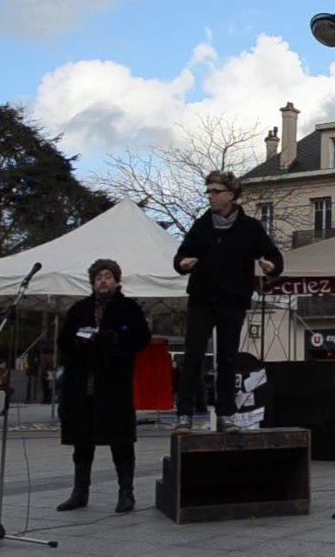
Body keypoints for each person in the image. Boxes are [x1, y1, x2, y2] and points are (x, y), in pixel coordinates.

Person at [173, 170, 283, 434]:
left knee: (227, 358)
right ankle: (185, 414)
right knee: (194, 355)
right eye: (208, 191)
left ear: (231, 196)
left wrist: (271, 266)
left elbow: (274, 257)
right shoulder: (202, 226)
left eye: (215, 191)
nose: (210, 196)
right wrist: (182, 264)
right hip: (202, 298)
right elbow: (181, 255)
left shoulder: (250, 228)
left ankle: (226, 414)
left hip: (233, 300)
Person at [55, 259, 152, 513]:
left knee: (120, 440)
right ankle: (80, 492)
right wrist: (79, 342)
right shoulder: (79, 309)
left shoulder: (129, 308)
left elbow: (142, 338)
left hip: (113, 384)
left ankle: (126, 493)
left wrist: (116, 340)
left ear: (117, 280)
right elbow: (63, 342)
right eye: (99, 277)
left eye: (108, 276)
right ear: (93, 282)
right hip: (82, 383)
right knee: (82, 440)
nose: (104, 281)